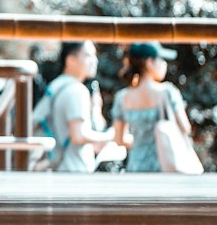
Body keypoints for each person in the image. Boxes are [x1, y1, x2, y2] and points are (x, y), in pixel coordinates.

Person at [110, 40, 194, 173]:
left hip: (135, 168)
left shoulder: (122, 97)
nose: (164, 64)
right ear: (149, 62)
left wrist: (141, 140)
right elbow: (185, 128)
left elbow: (119, 139)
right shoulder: (167, 92)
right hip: (164, 166)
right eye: (161, 59)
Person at [45, 40, 114, 173]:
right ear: (70, 60)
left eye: (94, 55)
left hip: (56, 167)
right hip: (73, 170)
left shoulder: (55, 86)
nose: (94, 60)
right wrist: (110, 136)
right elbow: (79, 135)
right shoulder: (76, 90)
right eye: (88, 55)